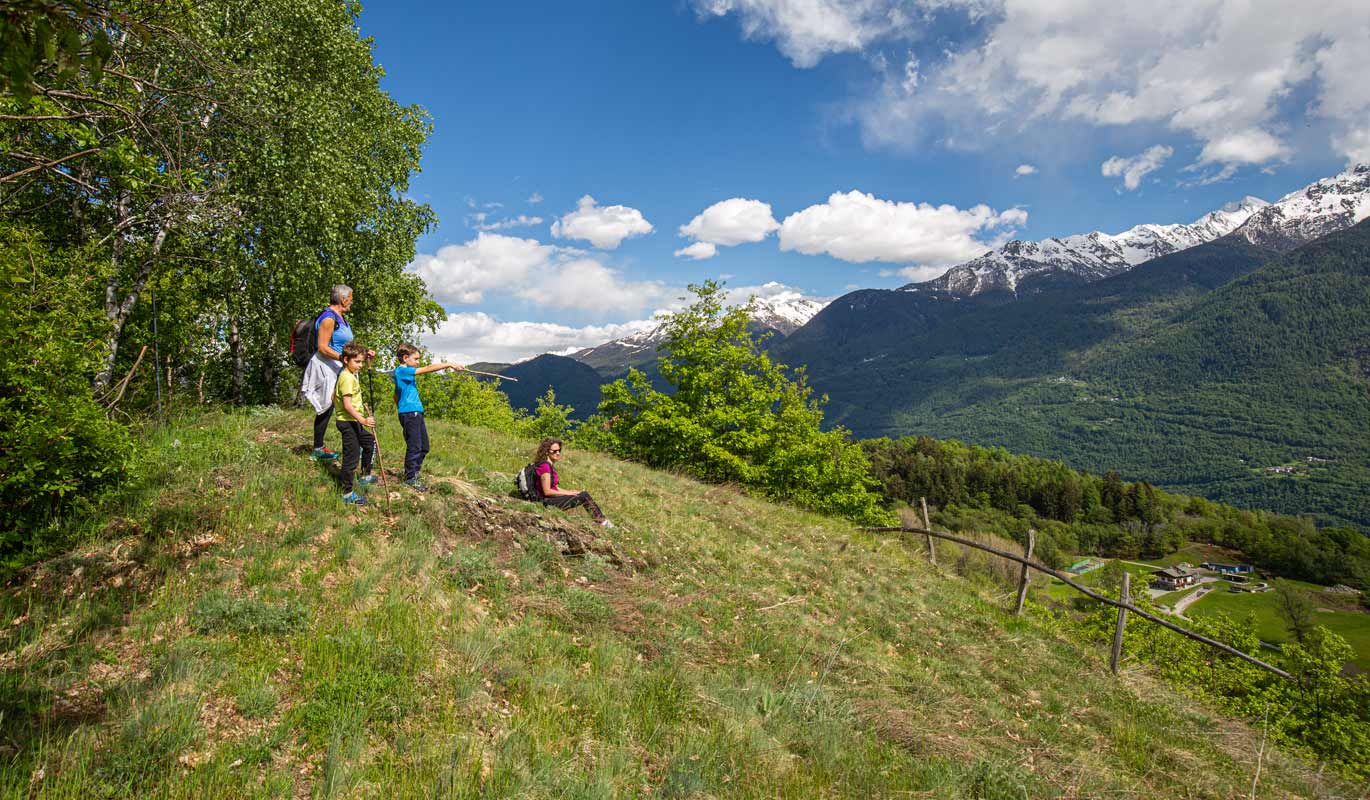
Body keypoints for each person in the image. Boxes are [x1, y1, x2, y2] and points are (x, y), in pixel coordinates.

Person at [300, 285, 374, 461]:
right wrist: (343, 358)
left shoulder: (341, 318)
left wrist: (363, 353)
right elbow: (323, 347)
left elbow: (346, 345)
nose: (352, 301)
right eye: (351, 297)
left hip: (338, 365)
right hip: (327, 366)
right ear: (343, 299)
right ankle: (318, 448)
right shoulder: (328, 318)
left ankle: (357, 442)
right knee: (327, 406)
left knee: (345, 403)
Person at [393, 343, 464, 492]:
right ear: (405, 358)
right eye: (416, 359)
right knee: (415, 446)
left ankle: (414, 472)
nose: (418, 362)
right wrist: (449, 364)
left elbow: (396, 394)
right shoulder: (402, 371)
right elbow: (425, 370)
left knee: (424, 447)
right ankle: (410, 477)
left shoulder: (403, 375)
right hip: (410, 413)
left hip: (414, 412)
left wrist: (400, 405)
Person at [531, 438, 613, 527]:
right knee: (584, 496)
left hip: (548, 500)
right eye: (554, 451)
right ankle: (604, 523)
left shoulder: (549, 466)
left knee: (581, 494)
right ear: (546, 452)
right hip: (545, 503)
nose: (558, 453)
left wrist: (571, 492)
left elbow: (554, 487)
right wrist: (570, 494)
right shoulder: (545, 467)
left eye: (559, 450)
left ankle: (603, 521)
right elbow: (547, 491)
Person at [335, 342, 378, 505]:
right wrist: (364, 420)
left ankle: (365, 475)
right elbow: (347, 405)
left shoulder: (350, 375)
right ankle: (346, 493)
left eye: (362, 361)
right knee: (351, 457)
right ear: (346, 360)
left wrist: (368, 358)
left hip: (354, 421)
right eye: (357, 362)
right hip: (348, 422)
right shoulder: (346, 378)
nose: (360, 365)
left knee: (369, 442)